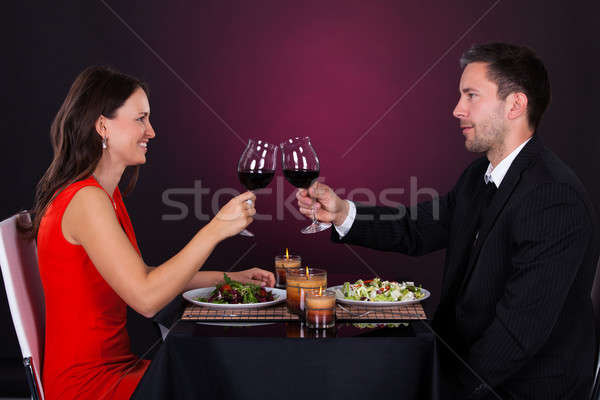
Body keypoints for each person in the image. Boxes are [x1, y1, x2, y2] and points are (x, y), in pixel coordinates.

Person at [297, 43, 599, 399]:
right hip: (458, 357)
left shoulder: (553, 196)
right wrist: (341, 212)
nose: (457, 110)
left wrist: (442, 388)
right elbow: (416, 228)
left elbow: (517, 335)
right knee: (331, 367)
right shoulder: (479, 177)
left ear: (515, 105)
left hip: (519, 386)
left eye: (471, 96)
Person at [29, 66, 275, 399]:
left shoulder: (104, 195)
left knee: (222, 377)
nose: (152, 132)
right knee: (229, 381)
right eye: (140, 119)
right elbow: (146, 299)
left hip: (120, 370)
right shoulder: (85, 200)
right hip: (91, 387)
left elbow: (142, 276)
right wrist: (215, 229)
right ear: (103, 126)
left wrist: (229, 279)